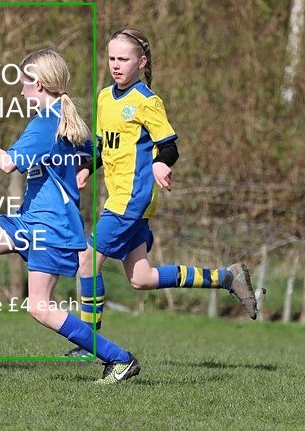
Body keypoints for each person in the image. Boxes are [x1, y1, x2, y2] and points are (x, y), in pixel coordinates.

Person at [0, 49, 141, 384]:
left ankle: (120, 359)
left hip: (50, 228)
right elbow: (95, 150)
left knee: (39, 307)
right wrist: (82, 171)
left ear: (39, 84)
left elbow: (7, 163)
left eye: (24, 84)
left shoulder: (45, 125)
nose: (21, 91)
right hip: (30, 220)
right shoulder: (62, 119)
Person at [65, 28, 258, 358]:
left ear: (140, 62)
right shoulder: (103, 97)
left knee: (87, 262)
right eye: (111, 58)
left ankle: (88, 346)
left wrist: (160, 164)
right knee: (142, 278)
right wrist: (86, 167)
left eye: (123, 59)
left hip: (133, 198)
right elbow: (102, 145)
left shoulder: (147, 102)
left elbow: (168, 146)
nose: (115, 64)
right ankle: (227, 277)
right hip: (119, 198)